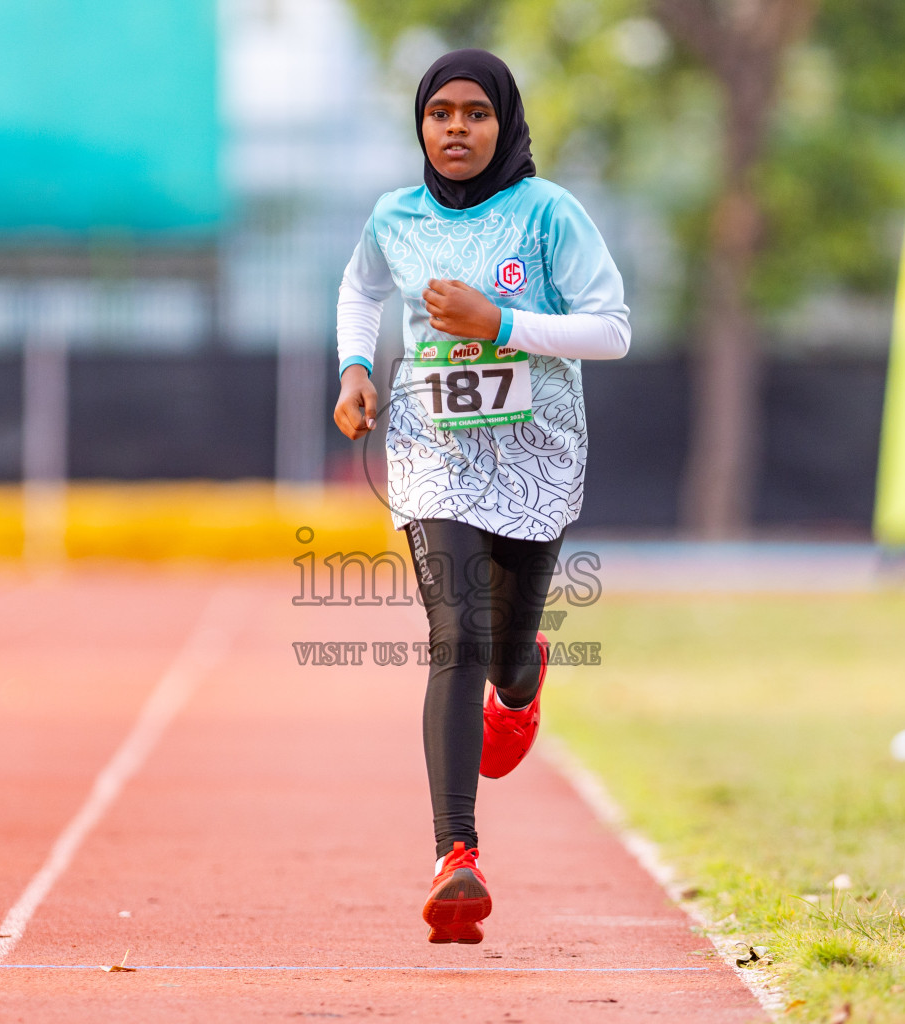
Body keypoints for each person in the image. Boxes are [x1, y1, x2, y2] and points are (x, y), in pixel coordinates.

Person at [333, 49, 629, 944]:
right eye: (439, 114)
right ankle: (455, 856)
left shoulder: (549, 214)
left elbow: (611, 328)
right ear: (420, 126)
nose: (456, 128)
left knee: (500, 656)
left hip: (537, 455)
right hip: (431, 452)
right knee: (455, 635)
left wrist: (500, 323)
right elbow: (360, 285)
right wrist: (354, 369)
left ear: (505, 124)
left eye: (475, 114)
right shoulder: (394, 215)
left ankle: (523, 673)